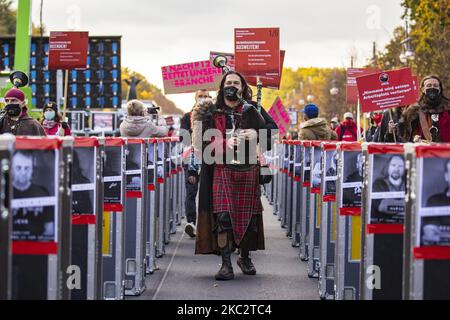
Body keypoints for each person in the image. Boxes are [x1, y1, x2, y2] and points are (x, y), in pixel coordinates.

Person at [192, 71, 277, 281]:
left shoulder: (252, 109)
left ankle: (245, 257)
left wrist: (257, 134)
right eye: (228, 82)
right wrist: (223, 143)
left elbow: (273, 130)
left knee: (248, 218)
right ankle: (225, 264)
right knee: (224, 217)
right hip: (222, 169)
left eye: (236, 83)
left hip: (248, 170)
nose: (232, 86)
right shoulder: (211, 111)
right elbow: (199, 142)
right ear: (222, 87)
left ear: (242, 87)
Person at [180, 90, 212, 238]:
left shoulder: (214, 113)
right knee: (191, 191)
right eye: (201, 96)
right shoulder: (187, 116)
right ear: (195, 97)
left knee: (209, 192)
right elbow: (184, 137)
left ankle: (208, 224)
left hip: (210, 157)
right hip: (192, 158)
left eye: (206, 96)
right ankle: (191, 222)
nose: (203, 98)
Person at [12, 151, 53, 240]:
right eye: (18, 168)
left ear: (32, 170)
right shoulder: (3, 193)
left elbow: (49, 229)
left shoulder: (42, 193)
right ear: (12, 169)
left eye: (27, 168)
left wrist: (38, 247)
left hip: (37, 250)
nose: (23, 172)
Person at [371, 155, 406, 222]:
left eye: (400, 166)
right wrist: (406, 205)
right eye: (393, 165)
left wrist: (391, 203)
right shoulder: (378, 184)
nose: (396, 169)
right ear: (388, 167)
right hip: (384, 227)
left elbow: (414, 206)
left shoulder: (409, 184)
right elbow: (382, 206)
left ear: (405, 169)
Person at [416, 75, 450, 143]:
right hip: (423, 151)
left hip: (446, 150)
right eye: (429, 85)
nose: (432, 87)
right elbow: (405, 134)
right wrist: (391, 130)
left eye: (435, 85)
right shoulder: (414, 109)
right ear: (423, 89)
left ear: (439, 89)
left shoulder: (448, 107)